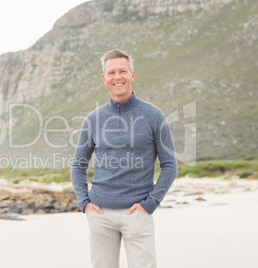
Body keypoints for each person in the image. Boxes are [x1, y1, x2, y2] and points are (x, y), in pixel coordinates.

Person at [71, 48, 178, 268]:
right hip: (99, 214)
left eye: (122, 71)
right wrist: (85, 203)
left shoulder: (154, 116)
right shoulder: (93, 119)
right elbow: (78, 164)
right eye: (111, 73)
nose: (117, 77)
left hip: (138, 213)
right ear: (104, 78)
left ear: (132, 74)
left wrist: (150, 203)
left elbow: (169, 165)